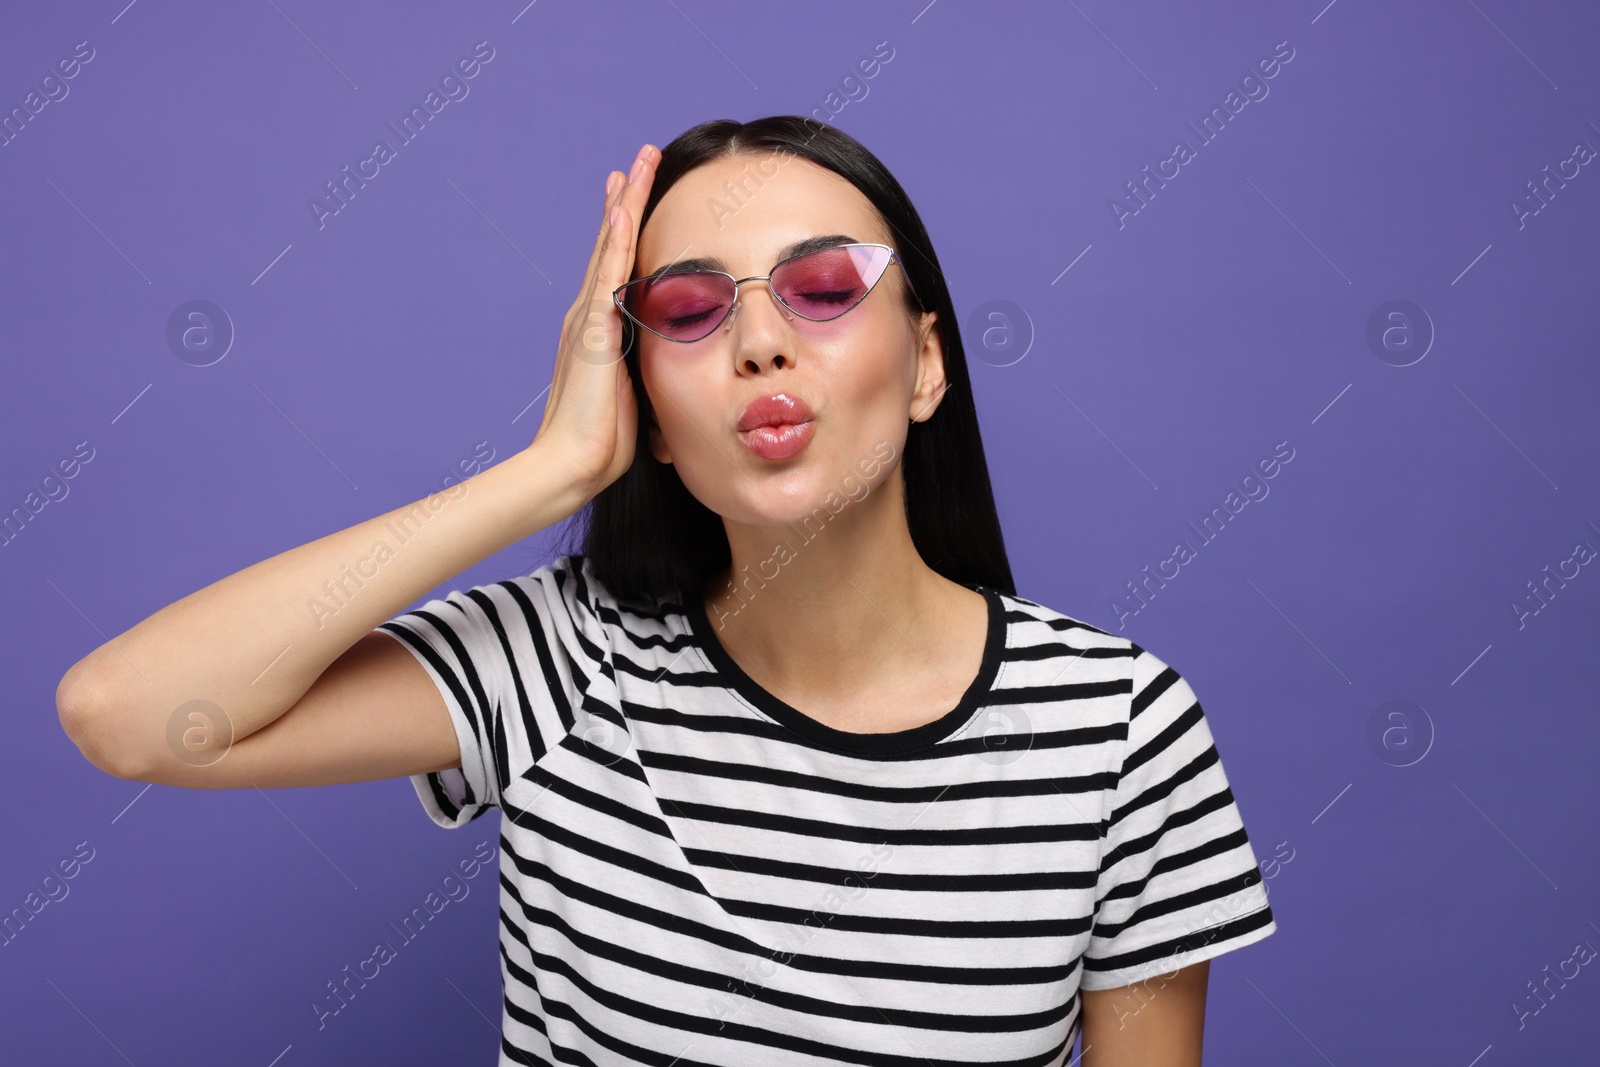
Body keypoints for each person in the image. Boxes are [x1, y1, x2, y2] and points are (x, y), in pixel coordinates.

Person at [56, 115, 1277, 1066]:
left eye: (825, 285)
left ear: (923, 360)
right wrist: (547, 472)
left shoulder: (1120, 730)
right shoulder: (569, 659)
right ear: (647, 412)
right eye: (690, 311)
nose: (758, 342)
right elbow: (125, 708)